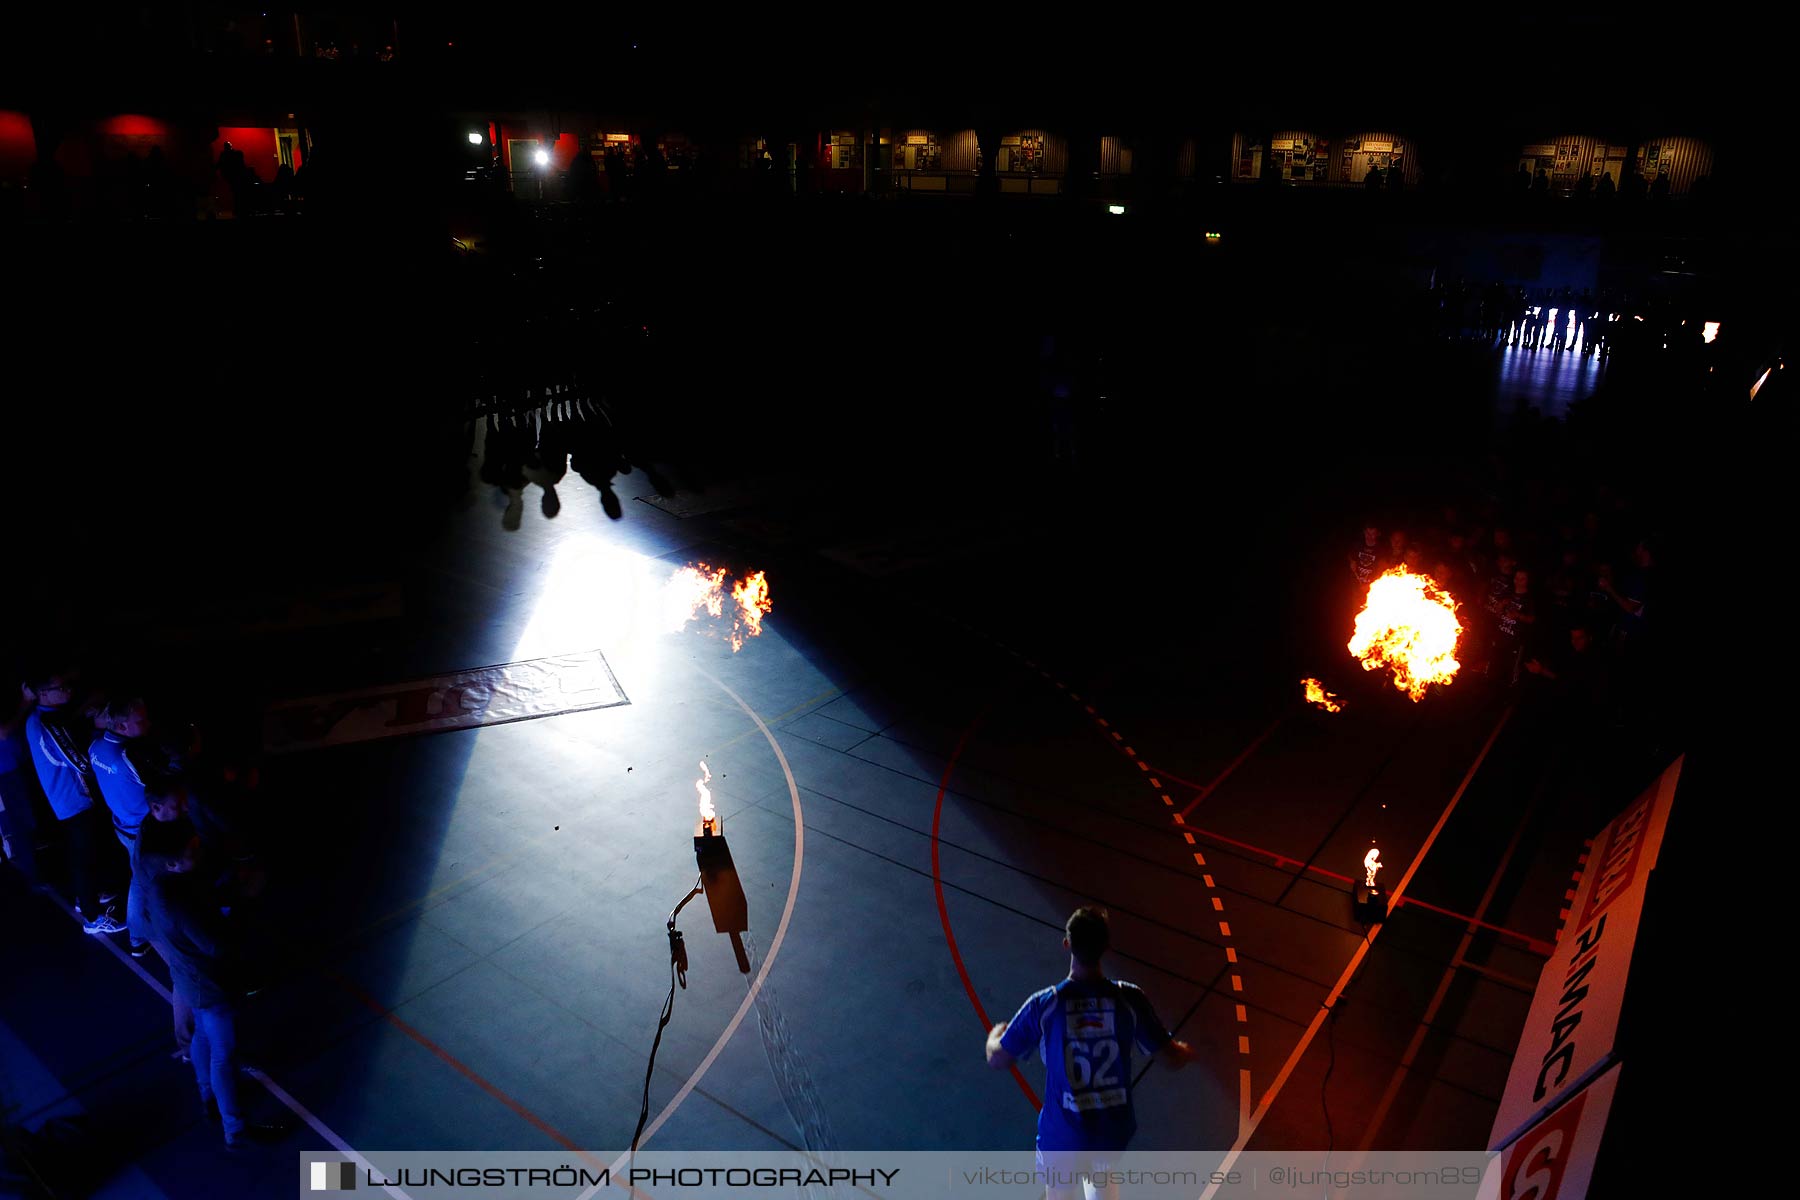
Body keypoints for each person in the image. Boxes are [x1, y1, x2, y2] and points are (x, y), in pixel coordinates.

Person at [985, 908, 1193, 1197]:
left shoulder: (1046, 1005)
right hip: (1112, 1130)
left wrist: (994, 1036)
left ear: (1067, 943)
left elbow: (998, 1058)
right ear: (1107, 948)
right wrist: (1187, 1050)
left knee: (1059, 1191)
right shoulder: (1129, 998)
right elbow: (1171, 1058)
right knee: (1102, 1170)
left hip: (1063, 1135)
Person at [138, 817, 283, 1148]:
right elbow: (217, 945)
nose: (198, 850)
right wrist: (244, 901)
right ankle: (235, 1128)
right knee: (224, 1054)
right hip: (209, 984)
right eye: (192, 850)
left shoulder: (159, 884)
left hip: (189, 979)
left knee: (203, 1037)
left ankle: (209, 1098)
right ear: (174, 862)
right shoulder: (178, 901)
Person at [25, 669, 124, 933]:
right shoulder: (49, 721)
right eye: (61, 687)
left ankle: (87, 897)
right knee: (83, 856)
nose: (68, 690)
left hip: (67, 797)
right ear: (43, 693)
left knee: (84, 853)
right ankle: (92, 917)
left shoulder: (42, 718)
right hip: (73, 798)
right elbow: (78, 761)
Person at [90, 696, 155, 957]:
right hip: (142, 829)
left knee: (139, 876)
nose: (148, 724)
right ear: (122, 726)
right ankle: (138, 938)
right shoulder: (130, 755)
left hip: (121, 825)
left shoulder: (95, 747)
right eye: (141, 720)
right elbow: (157, 788)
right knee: (140, 882)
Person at [1, 678, 40, 883]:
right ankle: (32, 879)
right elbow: (4, 733)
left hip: (16, 766)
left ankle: (33, 875)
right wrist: (25, 702)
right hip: (7, 772)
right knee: (22, 825)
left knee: (25, 822)